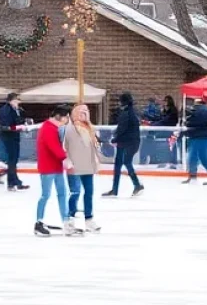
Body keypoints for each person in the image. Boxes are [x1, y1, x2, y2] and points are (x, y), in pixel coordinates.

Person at [34, 105, 71, 238]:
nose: (68, 120)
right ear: (59, 117)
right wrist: (65, 158)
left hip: (56, 167)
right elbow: (53, 147)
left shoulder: (54, 128)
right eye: (67, 117)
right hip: (48, 167)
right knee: (45, 194)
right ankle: (39, 222)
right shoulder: (48, 128)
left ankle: (66, 221)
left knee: (62, 194)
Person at [64, 103, 101, 233]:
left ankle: (89, 219)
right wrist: (67, 160)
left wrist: (96, 160)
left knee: (89, 192)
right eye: (82, 111)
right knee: (75, 192)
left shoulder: (91, 128)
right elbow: (66, 147)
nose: (85, 113)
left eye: (87, 111)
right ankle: (70, 219)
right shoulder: (70, 129)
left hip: (88, 165)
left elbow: (94, 146)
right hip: (74, 166)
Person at [103, 92, 143, 197]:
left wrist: (114, 139)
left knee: (125, 162)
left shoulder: (126, 114)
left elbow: (122, 130)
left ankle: (136, 185)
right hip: (128, 143)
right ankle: (116, 189)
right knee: (119, 165)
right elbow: (122, 129)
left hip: (126, 143)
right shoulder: (131, 113)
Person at [0, 93, 29, 192]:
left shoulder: (16, 110)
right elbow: (5, 125)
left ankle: (14, 182)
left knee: (14, 160)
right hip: (8, 137)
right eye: (16, 101)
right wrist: (17, 127)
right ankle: (13, 182)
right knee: (12, 160)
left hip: (14, 136)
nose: (18, 103)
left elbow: (17, 120)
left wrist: (24, 122)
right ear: (10, 101)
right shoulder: (5, 110)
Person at [182, 98, 207, 184]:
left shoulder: (202, 113)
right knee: (193, 157)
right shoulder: (204, 112)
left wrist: (187, 123)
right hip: (197, 137)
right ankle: (193, 175)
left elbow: (195, 124)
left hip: (201, 138)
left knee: (201, 157)